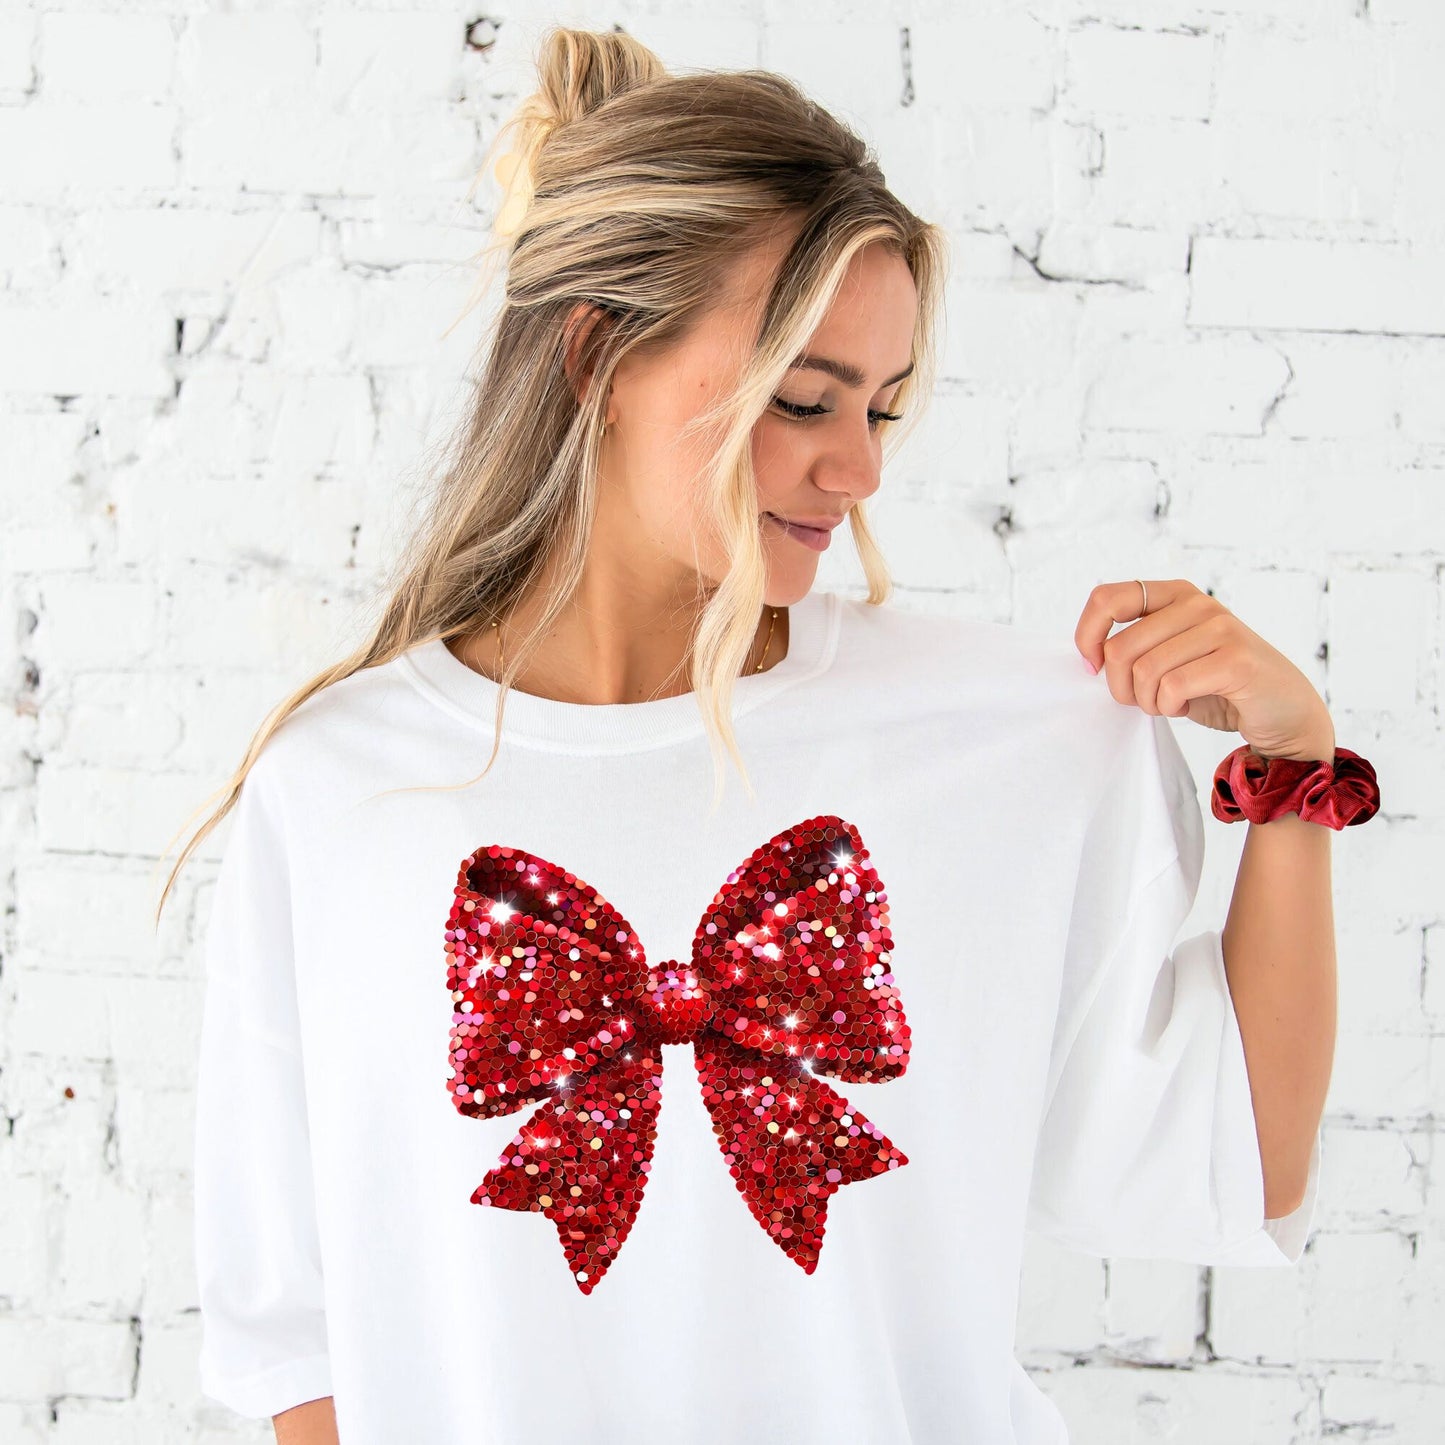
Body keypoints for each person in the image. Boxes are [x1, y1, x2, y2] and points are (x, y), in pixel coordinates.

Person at [166, 24, 1351, 1445]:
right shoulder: (344, 787)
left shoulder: (997, 750)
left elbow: (1240, 1161)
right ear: (597, 354)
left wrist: (1292, 769)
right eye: (802, 398)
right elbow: (290, 1340)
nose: (853, 470)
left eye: (880, 408)